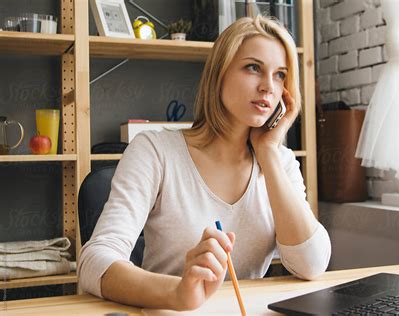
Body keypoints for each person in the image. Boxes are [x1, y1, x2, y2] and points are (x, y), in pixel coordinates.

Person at [78, 15, 331, 311]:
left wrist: (269, 153)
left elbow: (312, 265)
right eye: (253, 68)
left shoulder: (281, 162)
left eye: (280, 75)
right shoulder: (155, 151)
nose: (268, 87)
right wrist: (178, 292)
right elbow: (95, 261)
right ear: (219, 73)